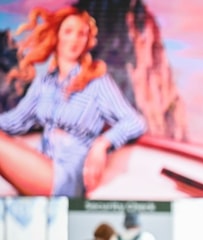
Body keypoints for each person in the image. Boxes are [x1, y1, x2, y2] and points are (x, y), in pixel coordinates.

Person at [0, 6, 146, 197]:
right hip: (42, 162)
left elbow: (135, 122)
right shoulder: (45, 83)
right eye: (68, 32)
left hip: (68, 176)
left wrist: (102, 144)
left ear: (87, 41)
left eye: (82, 34)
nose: (75, 40)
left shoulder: (96, 82)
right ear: (57, 36)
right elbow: (13, 122)